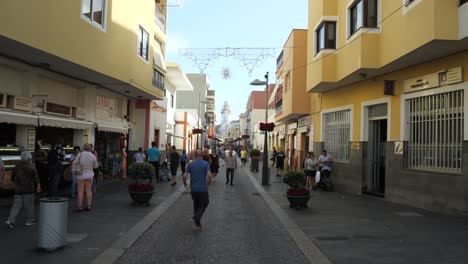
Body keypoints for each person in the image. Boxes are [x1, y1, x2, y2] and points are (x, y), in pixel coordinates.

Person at [6, 152, 41, 228]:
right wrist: (38, 186)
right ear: (29, 158)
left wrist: (15, 183)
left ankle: (11, 220)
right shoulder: (31, 166)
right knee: (29, 206)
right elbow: (36, 177)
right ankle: (30, 220)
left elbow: (12, 177)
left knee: (16, 206)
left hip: (18, 190)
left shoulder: (16, 166)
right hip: (29, 189)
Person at [182, 150, 212, 230]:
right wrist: (208, 183)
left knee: (196, 205)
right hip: (202, 188)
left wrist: (185, 183)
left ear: (195, 156)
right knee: (205, 203)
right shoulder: (205, 164)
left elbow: (184, 176)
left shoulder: (190, 164)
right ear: (201, 155)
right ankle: (196, 217)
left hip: (193, 188)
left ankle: (197, 225)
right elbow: (209, 175)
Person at [73, 143, 98, 212]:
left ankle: (79, 207)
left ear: (83, 148)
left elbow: (74, 163)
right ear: (90, 148)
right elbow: (96, 166)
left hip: (80, 176)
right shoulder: (92, 156)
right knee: (88, 191)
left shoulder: (80, 154)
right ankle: (88, 206)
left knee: (80, 192)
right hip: (90, 175)